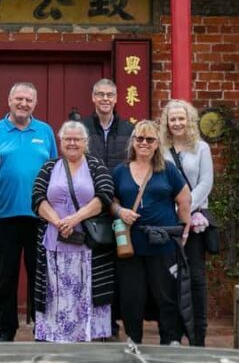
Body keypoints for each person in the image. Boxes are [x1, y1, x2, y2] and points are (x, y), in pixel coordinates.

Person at [31, 121, 115, 342]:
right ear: (60, 142)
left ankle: (86, 333)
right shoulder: (49, 167)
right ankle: (54, 334)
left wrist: (76, 218)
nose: (72, 143)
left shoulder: (96, 166)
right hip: (54, 240)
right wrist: (58, 222)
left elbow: (105, 196)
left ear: (85, 142)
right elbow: (37, 198)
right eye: (67, 139)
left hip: (87, 243)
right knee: (55, 290)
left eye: (77, 139)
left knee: (86, 289)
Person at [110, 120, 192, 345]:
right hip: (131, 245)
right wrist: (120, 211)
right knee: (131, 295)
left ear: (157, 144)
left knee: (165, 294)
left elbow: (184, 199)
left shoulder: (167, 170)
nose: (144, 143)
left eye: (149, 139)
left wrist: (184, 230)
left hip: (162, 243)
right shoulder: (120, 171)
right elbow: (111, 201)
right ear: (133, 142)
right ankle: (133, 338)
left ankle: (170, 338)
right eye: (139, 139)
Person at [0, 82, 58, 342]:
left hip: (39, 217)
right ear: (9, 100)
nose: (23, 104)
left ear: (35, 103)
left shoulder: (45, 131)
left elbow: (54, 171)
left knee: (40, 276)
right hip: (3, 215)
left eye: (29, 100)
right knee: (5, 277)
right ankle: (7, 329)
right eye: (19, 99)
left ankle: (43, 327)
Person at [80, 77, 133, 340]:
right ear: (93, 98)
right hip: (87, 209)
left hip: (119, 209)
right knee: (89, 268)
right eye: (99, 94)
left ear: (116, 98)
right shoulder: (80, 128)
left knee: (116, 269)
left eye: (109, 95)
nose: (104, 99)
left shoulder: (128, 130)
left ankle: (111, 326)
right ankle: (88, 325)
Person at [160, 99, 214, 347]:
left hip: (194, 219)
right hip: (169, 222)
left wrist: (184, 210)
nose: (177, 123)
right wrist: (173, 213)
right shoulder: (160, 149)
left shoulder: (201, 148)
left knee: (195, 278)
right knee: (169, 278)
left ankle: (198, 335)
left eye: (182, 118)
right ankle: (172, 334)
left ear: (189, 120)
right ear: (167, 123)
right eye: (173, 119)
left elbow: (205, 184)